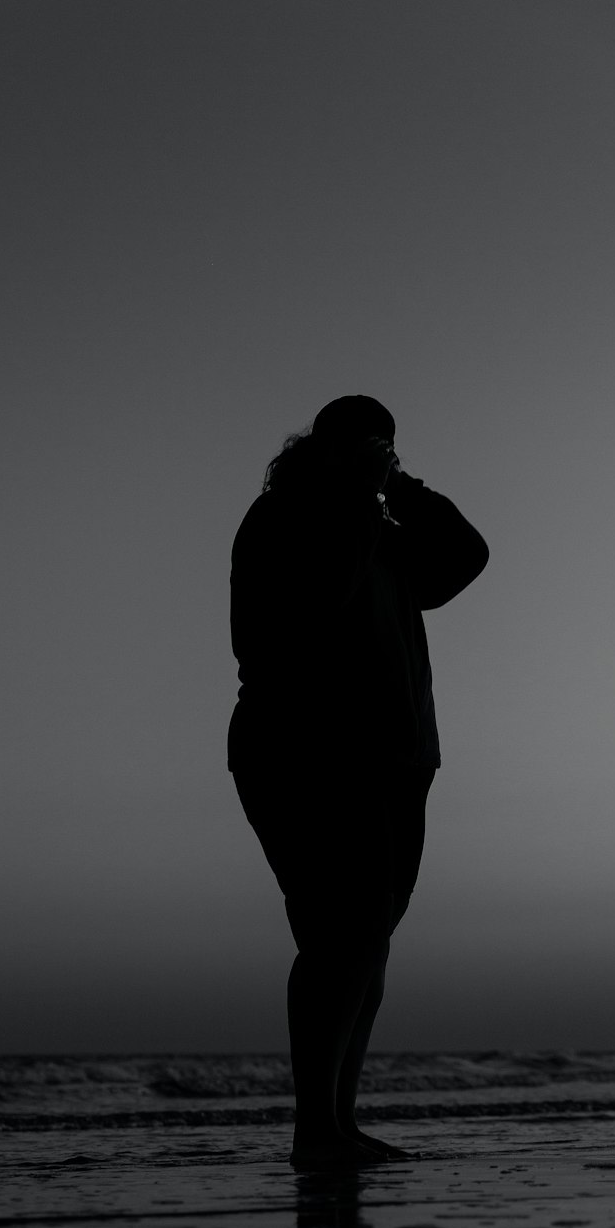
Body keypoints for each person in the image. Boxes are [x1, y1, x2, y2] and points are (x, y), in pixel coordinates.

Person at [228, 395, 488, 1168]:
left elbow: (466, 558)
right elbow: (316, 603)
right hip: (305, 748)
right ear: (321, 445)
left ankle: (339, 1123)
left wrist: (402, 492)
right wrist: (356, 505)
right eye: (360, 443)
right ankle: (316, 1128)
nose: (374, 456)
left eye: (385, 445)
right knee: (341, 933)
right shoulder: (285, 517)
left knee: (366, 942)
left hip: (397, 757)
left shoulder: (385, 529)